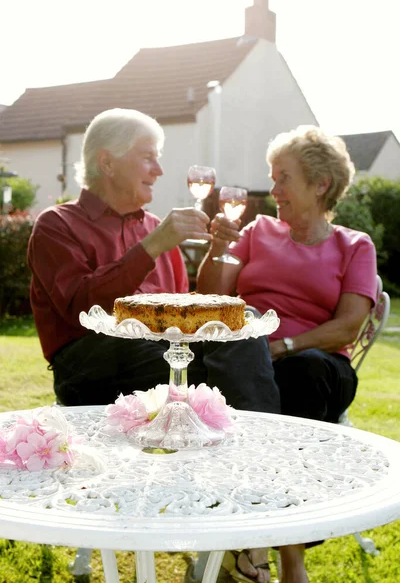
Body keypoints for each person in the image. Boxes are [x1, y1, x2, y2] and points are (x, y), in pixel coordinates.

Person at [197, 125, 377, 583]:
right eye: (272, 178)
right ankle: (285, 549)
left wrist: (282, 345)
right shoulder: (257, 231)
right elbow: (211, 298)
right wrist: (219, 246)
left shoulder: (354, 245)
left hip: (317, 364)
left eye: (283, 179)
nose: (273, 190)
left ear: (320, 184)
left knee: (304, 373)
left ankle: (258, 539)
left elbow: (349, 324)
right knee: (244, 323)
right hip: (244, 362)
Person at [27, 108, 280, 419]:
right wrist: (152, 246)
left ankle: (255, 440)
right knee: (195, 365)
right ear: (107, 162)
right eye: (148, 157)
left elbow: (186, 310)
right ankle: (250, 441)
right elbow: (81, 306)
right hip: (89, 364)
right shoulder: (56, 224)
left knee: (245, 323)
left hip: (163, 350)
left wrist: (217, 249)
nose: (159, 170)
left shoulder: (156, 226)